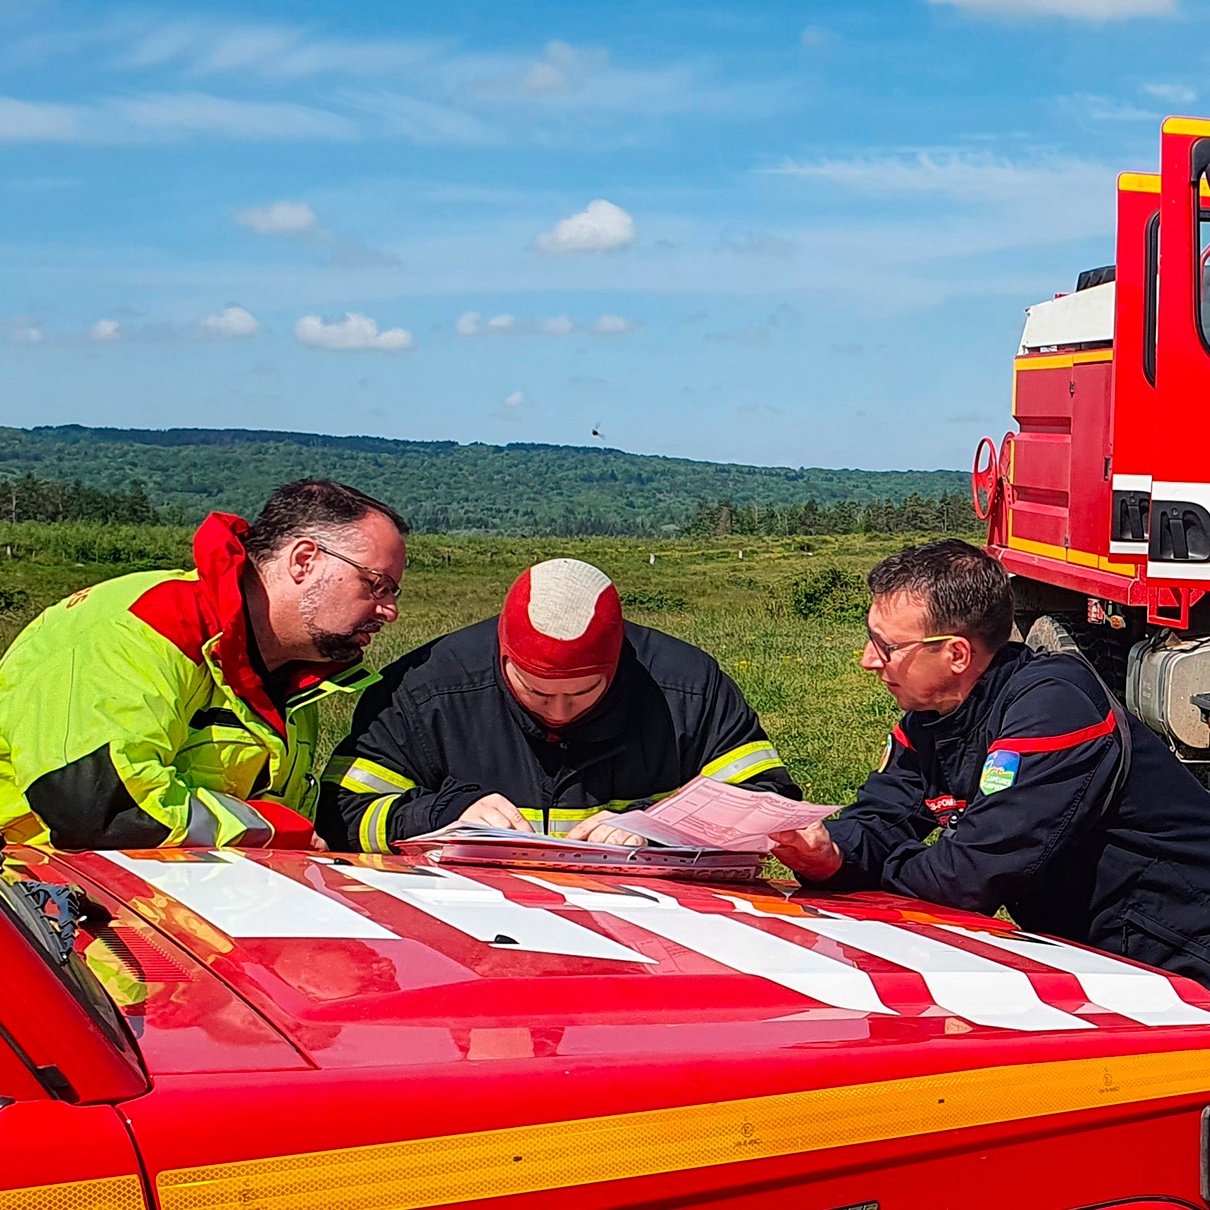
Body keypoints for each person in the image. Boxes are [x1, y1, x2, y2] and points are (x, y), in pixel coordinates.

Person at [772, 538, 1210, 987]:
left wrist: (872, 868)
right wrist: (831, 852)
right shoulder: (931, 719)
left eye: (886, 647)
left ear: (956, 654)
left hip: (1181, 953)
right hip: (1102, 956)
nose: (869, 661)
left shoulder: (1054, 709)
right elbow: (881, 819)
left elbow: (969, 878)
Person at [0, 479, 407, 850]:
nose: (389, 611)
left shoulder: (299, 679)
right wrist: (275, 831)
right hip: (38, 903)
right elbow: (97, 812)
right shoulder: (139, 625)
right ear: (303, 561)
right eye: (376, 585)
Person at [318, 557, 799, 851]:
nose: (559, 712)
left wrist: (653, 824)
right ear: (502, 659)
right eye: (537, 692)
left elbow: (769, 801)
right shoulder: (428, 687)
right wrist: (441, 814)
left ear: (617, 665)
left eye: (583, 692)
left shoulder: (687, 687)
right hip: (468, 937)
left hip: (648, 940)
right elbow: (339, 814)